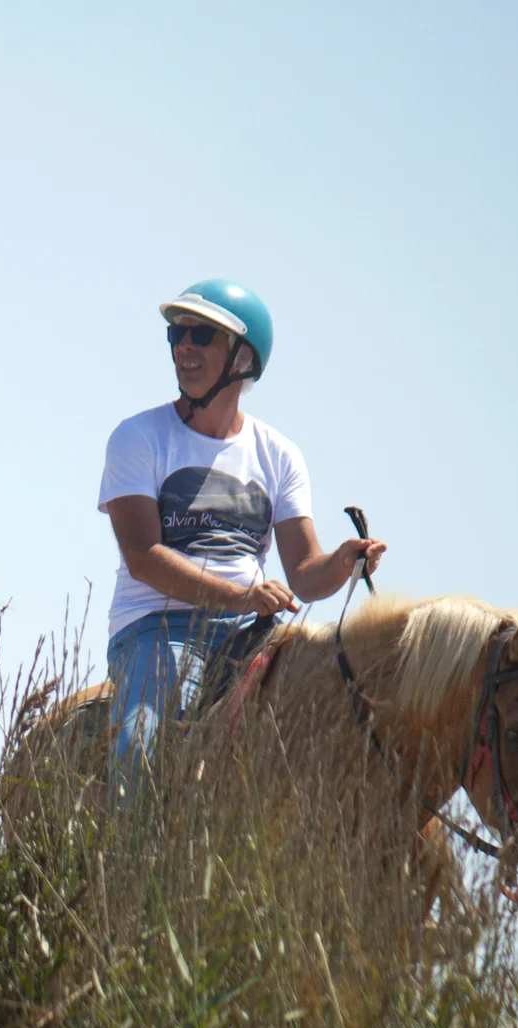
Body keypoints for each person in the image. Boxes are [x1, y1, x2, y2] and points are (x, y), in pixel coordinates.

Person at [97, 279, 387, 781]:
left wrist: (341, 562)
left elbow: (302, 575)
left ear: (243, 359)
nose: (184, 345)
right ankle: (129, 845)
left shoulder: (279, 454)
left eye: (202, 335)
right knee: (140, 752)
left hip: (251, 630)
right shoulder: (137, 437)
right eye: (177, 335)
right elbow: (144, 556)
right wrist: (240, 596)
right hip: (158, 630)